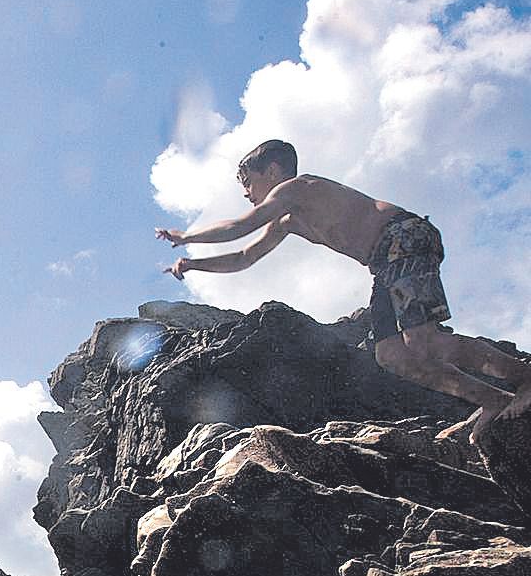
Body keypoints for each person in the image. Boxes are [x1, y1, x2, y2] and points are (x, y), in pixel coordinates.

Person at [156, 139, 531, 441]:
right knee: (391, 356)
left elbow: (242, 225)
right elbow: (243, 256)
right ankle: (492, 399)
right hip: (384, 264)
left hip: (404, 238)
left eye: (248, 183)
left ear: (272, 171)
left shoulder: (297, 188)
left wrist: (186, 237)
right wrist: (192, 264)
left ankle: (524, 379)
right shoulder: (288, 220)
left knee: (424, 343)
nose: (247, 194)